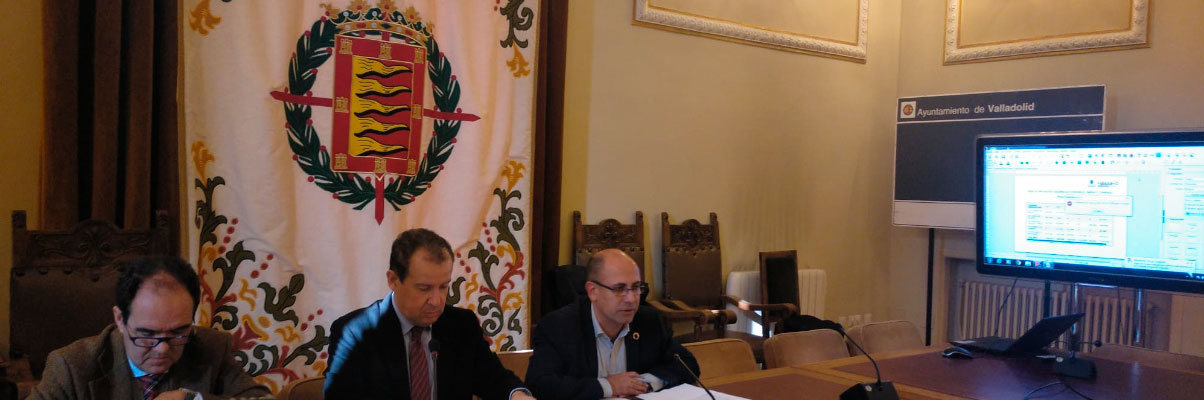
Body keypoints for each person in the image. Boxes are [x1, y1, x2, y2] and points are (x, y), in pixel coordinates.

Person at [324, 228, 533, 400]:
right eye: (424, 288)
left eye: (443, 287)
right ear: (393, 280)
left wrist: (517, 396)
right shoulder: (354, 333)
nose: (436, 300)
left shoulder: (462, 325)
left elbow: (495, 380)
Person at [28, 256, 271, 400]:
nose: (162, 349)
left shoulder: (212, 347)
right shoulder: (72, 366)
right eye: (147, 334)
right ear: (120, 319)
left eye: (177, 332)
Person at [526, 249, 700, 400]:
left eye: (636, 287)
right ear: (593, 291)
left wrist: (644, 383)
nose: (631, 299)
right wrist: (609, 386)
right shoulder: (559, 326)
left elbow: (688, 364)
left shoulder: (648, 320)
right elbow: (540, 384)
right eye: (619, 289)